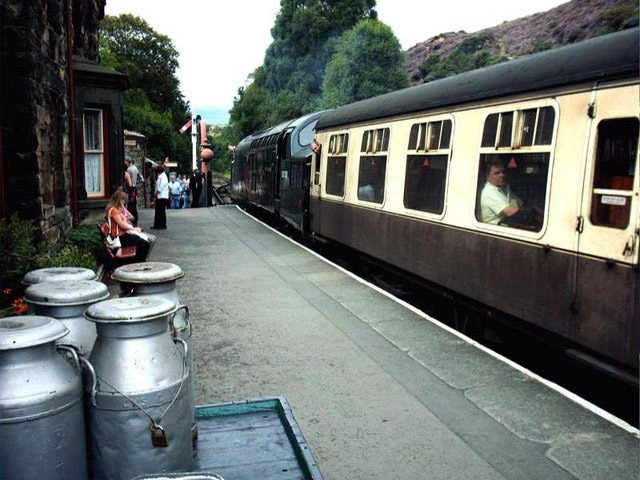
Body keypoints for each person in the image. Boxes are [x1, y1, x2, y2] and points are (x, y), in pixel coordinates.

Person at [105, 190, 153, 262]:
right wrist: (134, 229)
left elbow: (125, 220)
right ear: (118, 199)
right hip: (120, 236)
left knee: (142, 243)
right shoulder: (113, 210)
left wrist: (122, 210)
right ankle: (139, 263)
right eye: (123, 199)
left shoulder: (116, 209)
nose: (124, 202)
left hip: (123, 234)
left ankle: (139, 262)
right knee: (143, 243)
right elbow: (122, 224)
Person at [152, 164, 169, 229]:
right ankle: (157, 224)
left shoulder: (163, 176)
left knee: (161, 211)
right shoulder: (161, 176)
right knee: (158, 211)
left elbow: (161, 186)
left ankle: (162, 225)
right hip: (161, 196)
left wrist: (156, 192)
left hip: (162, 196)